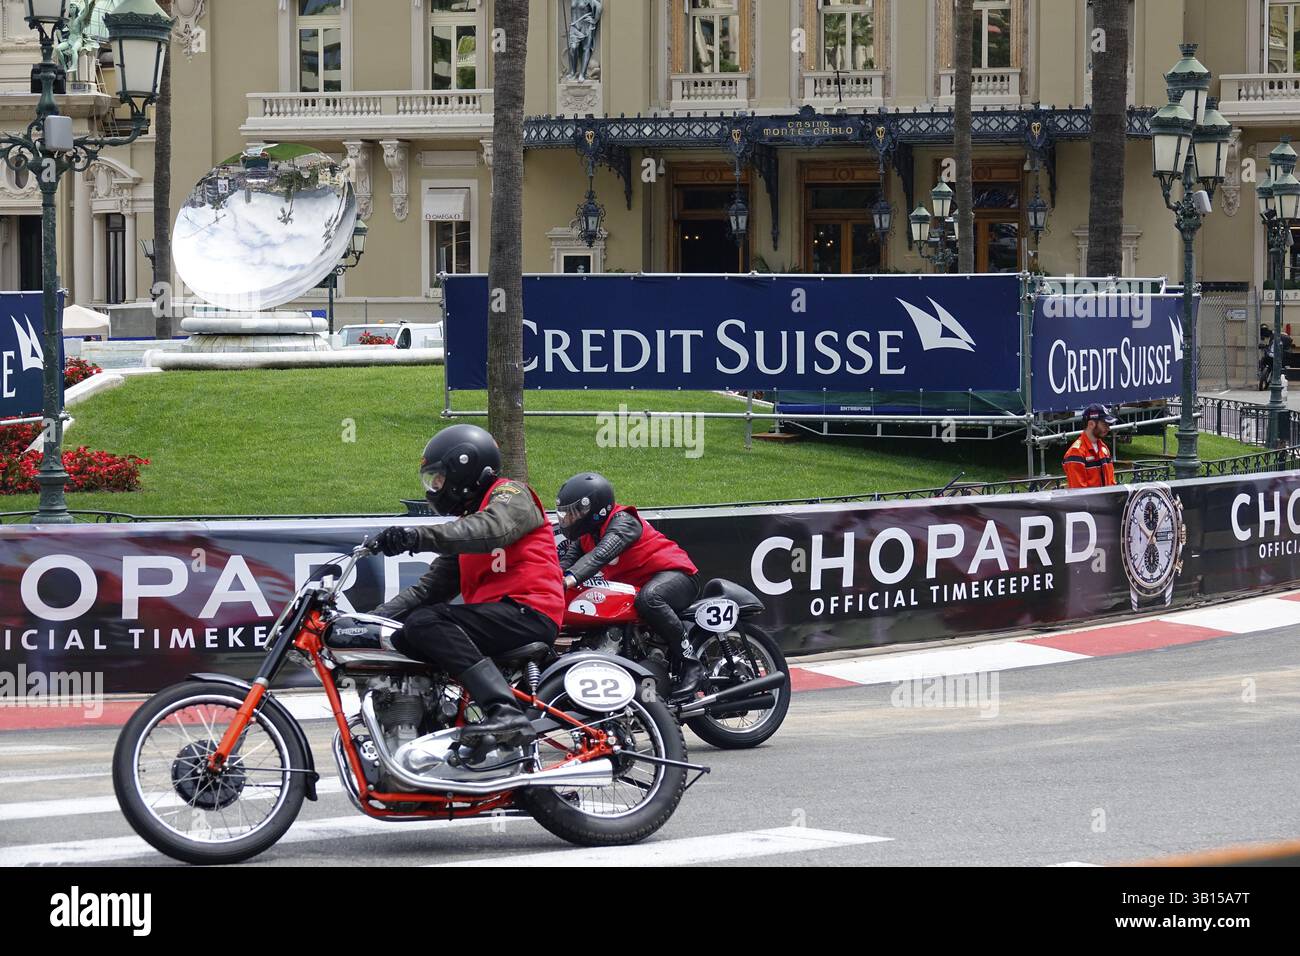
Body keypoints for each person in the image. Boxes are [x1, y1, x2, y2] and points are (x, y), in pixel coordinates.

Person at [371, 424, 564, 744]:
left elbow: (493, 529)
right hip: (498, 617)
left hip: (528, 612)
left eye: (439, 478)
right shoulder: (466, 527)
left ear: (466, 465)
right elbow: (426, 591)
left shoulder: (512, 495)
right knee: (406, 635)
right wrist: (372, 619)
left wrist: (415, 537)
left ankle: (505, 712)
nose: (434, 488)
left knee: (425, 622)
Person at [555, 472, 705, 697]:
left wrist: (568, 580)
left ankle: (692, 663)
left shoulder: (624, 522)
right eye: (566, 513)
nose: (569, 518)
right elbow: (566, 563)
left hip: (677, 575)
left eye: (575, 512)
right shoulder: (585, 535)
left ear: (595, 509)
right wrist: (545, 580)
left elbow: (599, 556)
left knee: (650, 599)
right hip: (639, 587)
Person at [1063, 403, 1118, 489]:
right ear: (1091, 424)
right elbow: (1079, 492)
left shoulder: (1103, 448)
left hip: (1106, 500)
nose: (1108, 428)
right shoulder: (1076, 453)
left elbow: (1111, 482)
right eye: (1105, 424)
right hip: (1090, 502)